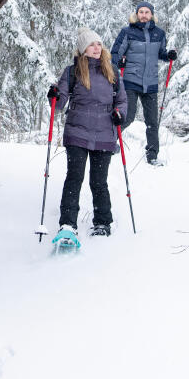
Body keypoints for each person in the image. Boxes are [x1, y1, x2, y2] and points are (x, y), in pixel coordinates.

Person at [46, 27, 127, 243]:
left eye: (99, 44)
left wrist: (120, 113)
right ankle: (67, 224)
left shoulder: (112, 72)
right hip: (77, 132)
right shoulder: (72, 72)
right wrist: (54, 95)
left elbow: (122, 100)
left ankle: (102, 222)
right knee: (75, 178)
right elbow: (60, 103)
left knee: (99, 182)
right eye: (92, 44)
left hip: (104, 133)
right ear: (83, 49)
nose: (96, 48)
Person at [110, 1, 176, 166]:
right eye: (141, 12)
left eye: (147, 12)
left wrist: (169, 55)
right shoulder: (128, 32)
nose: (144, 15)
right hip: (131, 80)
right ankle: (108, 142)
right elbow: (115, 53)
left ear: (152, 14)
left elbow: (161, 53)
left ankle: (152, 155)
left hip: (151, 82)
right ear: (137, 14)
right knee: (128, 116)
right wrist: (119, 62)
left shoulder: (159, 33)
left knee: (152, 121)